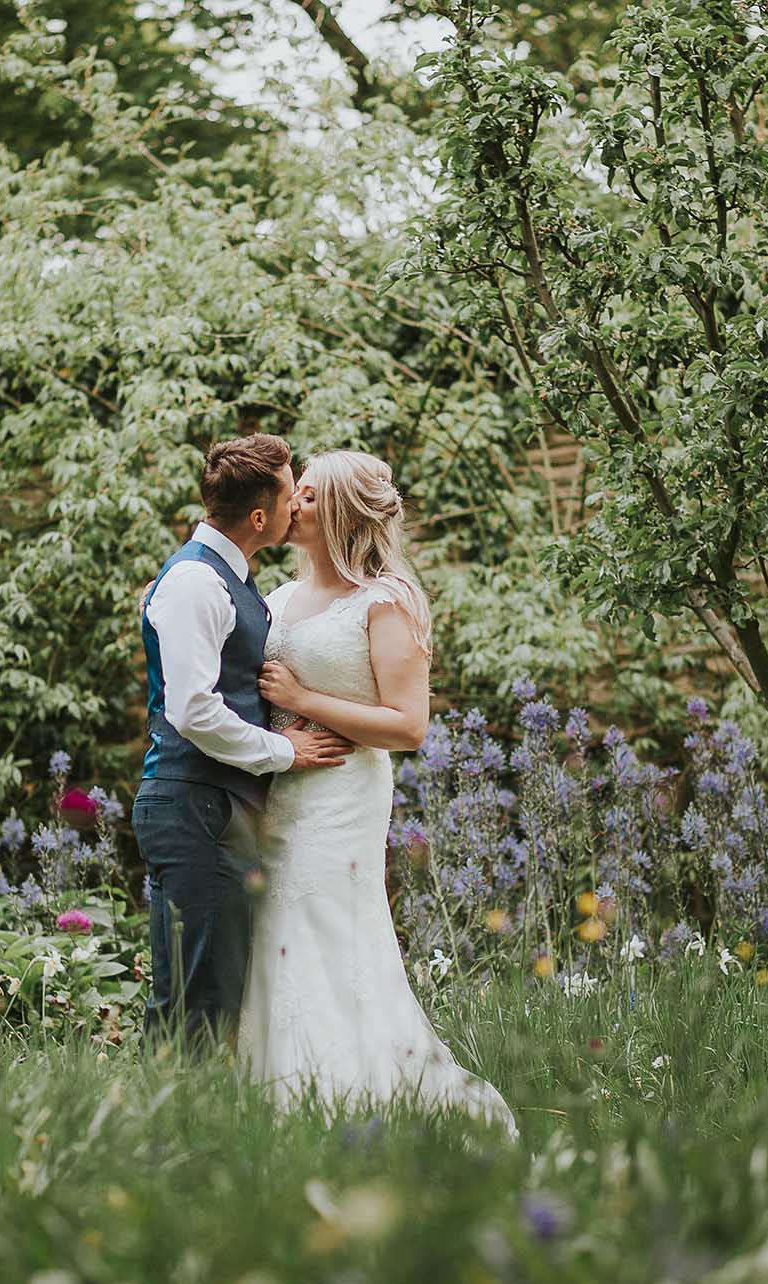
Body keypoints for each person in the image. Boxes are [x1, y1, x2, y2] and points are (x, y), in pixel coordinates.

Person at [237, 449, 517, 1136]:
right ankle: (275, 1097)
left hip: (342, 796)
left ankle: (355, 1098)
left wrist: (306, 698)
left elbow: (409, 724)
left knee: (329, 931)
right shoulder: (274, 600)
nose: (290, 503)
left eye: (306, 494)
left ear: (338, 509)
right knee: (272, 935)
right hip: (280, 792)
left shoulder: (387, 600)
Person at [132, 433, 352, 1051]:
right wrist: (288, 752)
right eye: (291, 496)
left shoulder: (234, 581)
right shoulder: (195, 585)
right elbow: (194, 710)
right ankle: (163, 1134)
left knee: (215, 989)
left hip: (215, 806)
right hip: (194, 805)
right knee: (195, 998)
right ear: (260, 516)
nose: (297, 507)